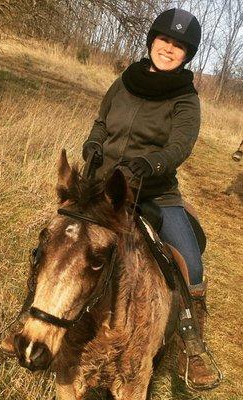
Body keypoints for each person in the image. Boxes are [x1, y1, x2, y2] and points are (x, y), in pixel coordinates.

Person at [82, 8, 221, 391]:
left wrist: (151, 163)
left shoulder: (186, 100)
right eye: (165, 40)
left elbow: (180, 146)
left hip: (154, 191)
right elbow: (101, 120)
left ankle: (192, 347)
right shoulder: (124, 82)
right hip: (104, 186)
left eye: (179, 46)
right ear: (152, 41)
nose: (170, 49)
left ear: (187, 55)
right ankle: (33, 318)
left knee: (190, 263)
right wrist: (94, 143)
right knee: (61, 240)